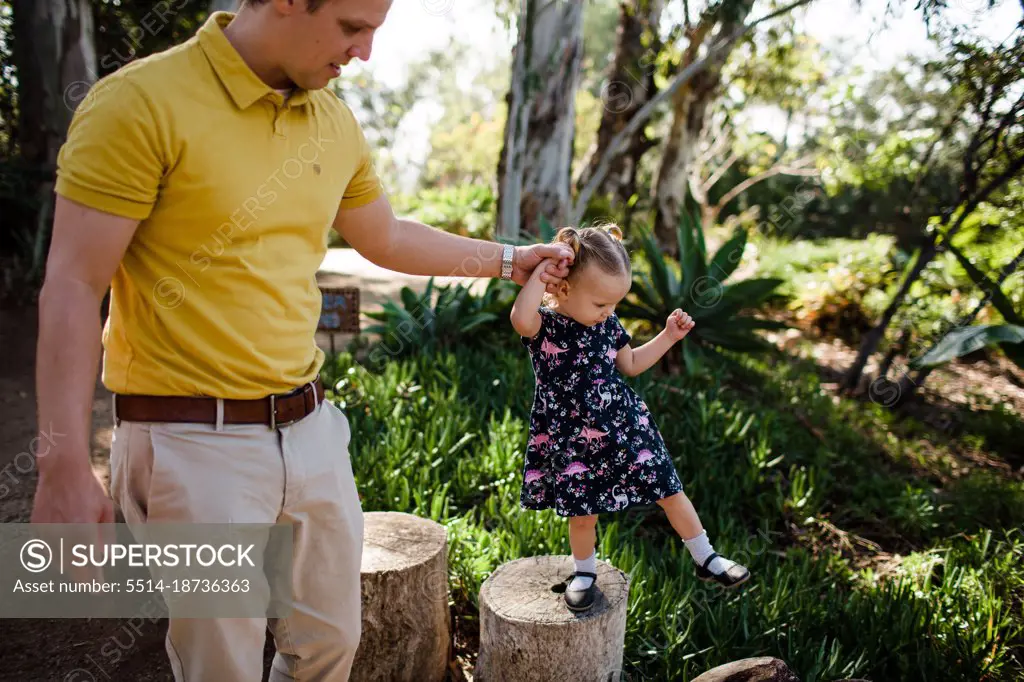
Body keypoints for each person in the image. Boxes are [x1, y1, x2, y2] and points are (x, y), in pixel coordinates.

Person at [31, 1, 574, 680]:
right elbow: (75, 285)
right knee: (221, 667)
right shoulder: (140, 103)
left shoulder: (332, 118)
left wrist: (506, 259)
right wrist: (61, 464)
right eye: (352, 27)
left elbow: (386, 236)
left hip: (311, 430)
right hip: (190, 445)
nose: (366, 53)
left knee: (329, 644)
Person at [509, 225, 750, 612]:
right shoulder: (545, 328)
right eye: (601, 303)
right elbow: (521, 316)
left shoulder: (608, 325)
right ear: (564, 289)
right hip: (573, 436)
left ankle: (705, 557)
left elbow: (632, 363)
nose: (608, 312)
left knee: (669, 488)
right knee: (583, 512)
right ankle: (584, 571)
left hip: (625, 424)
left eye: (615, 305)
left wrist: (668, 336)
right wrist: (543, 272)